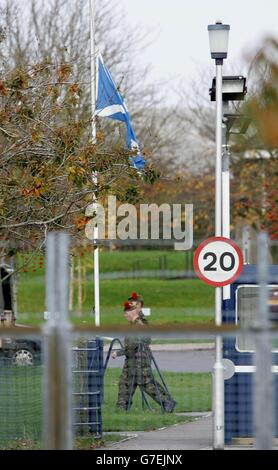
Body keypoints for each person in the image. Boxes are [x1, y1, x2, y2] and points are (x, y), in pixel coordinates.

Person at [112, 291, 176, 412]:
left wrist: (120, 352)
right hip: (132, 358)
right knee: (125, 382)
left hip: (139, 358)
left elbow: (138, 341)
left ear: (139, 306)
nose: (129, 307)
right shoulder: (134, 321)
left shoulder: (140, 322)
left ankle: (167, 402)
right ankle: (121, 409)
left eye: (133, 304)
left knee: (146, 383)